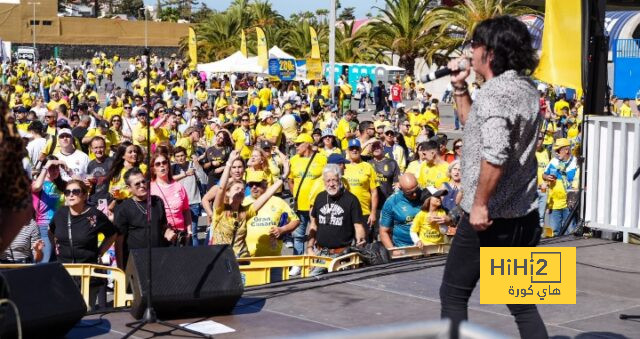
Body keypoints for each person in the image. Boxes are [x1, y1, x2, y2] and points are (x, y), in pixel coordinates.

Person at [440, 16, 547, 339]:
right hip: (523, 214)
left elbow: (496, 153)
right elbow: (476, 127)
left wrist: (480, 205)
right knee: (522, 303)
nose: (469, 50)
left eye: (474, 44)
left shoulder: (494, 94)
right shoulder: (526, 89)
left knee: (453, 295)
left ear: (489, 52)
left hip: (489, 218)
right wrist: (460, 86)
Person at [49, 180, 117, 310]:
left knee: (86, 312)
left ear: (85, 195)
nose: (71, 195)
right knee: (64, 312)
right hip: (65, 272)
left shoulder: (95, 215)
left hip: (87, 273)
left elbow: (112, 233)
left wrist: (101, 251)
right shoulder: (60, 213)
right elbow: (50, 231)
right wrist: (56, 246)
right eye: (68, 192)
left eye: (76, 191)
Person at [211, 151, 283, 257]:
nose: (240, 191)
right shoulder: (220, 209)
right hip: (222, 258)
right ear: (228, 192)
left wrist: (282, 179)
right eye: (237, 189)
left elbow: (266, 195)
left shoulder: (246, 211)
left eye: (242, 189)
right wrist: (229, 163)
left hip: (242, 258)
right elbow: (221, 188)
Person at [307, 164, 366, 275]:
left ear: (340, 179)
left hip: (342, 256)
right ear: (324, 182)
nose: (331, 184)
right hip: (320, 253)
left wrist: (360, 244)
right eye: (328, 180)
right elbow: (313, 225)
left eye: (334, 180)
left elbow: (358, 226)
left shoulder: (351, 200)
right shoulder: (320, 198)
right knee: (312, 283)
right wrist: (310, 247)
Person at [114, 168, 173, 268]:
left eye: (143, 181)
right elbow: (119, 242)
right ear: (129, 188)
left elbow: (163, 225)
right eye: (137, 184)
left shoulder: (157, 201)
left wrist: (168, 231)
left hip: (160, 258)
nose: (142, 185)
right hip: (136, 262)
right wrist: (121, 269)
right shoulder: (123, 208)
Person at [244, 170, 299, 257]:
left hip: (273, 258)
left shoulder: (278, 201)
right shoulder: (243, 202)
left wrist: (282, 230)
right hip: (248, 258)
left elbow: (295, 220)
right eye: (251, 184)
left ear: (266, 184)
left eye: (257, 184)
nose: (254, 187)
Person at [150, 152, 192, 246]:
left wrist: (189, 230)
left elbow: (186, 210)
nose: (162, 166)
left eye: (164, 162)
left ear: (168, 165)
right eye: (158, 164)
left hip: (180, 235)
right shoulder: (150, 188)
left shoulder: (178, 186)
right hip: (161, 235)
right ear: (153, 169)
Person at [31, 155, 67, 263]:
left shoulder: (62, 185)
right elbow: (36, 187)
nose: (55, 170)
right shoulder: (38, 184)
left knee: (57, 261)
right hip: (44, 227)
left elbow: (80, 187)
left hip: (60, 227)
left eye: (57, 167)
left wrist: (68, 170)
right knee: (45, 260)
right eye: (52, 167)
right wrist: (47, 166)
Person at [343, 139, 379, 241]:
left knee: (364, 243)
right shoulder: (343, 166)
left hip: (363, 212)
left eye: (356, 148)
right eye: (351, 149)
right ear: (348, 151)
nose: (354, 151)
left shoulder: (368, 167)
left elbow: (374, 192)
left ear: (360, 150)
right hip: (346, 212)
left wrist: (373, 213)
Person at [172, 146, 208, 246]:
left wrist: (197, 165)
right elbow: (169, 181)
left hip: (193, 202)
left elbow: (205, 179)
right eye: (177, 156)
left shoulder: (192, 165)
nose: (180, 158)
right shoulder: (173, 168)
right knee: (181, 234)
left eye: (182, 155)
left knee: (193, 233)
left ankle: (196, 255)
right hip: (178, 205)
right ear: (174, 158)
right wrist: (185, 174)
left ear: (186, 155)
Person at [379, 173, 425, 250]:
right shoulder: (392, 202)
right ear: (400, 188)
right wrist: (393, 251)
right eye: (409, 193)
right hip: (403, 247)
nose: (414, 195)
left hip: (427, 246)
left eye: (416, 190)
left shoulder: (426, 195)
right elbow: (383, 231)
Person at [543, 138, 578, 236]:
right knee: (555, 232)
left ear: (566, 150)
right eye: (555, 151)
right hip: (554, 204)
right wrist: (547, 177)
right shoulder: (553, 161)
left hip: (569, 204)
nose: (556, 153)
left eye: (558, 150)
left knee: (570, 232)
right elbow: (544, 174)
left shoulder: (575, 162)